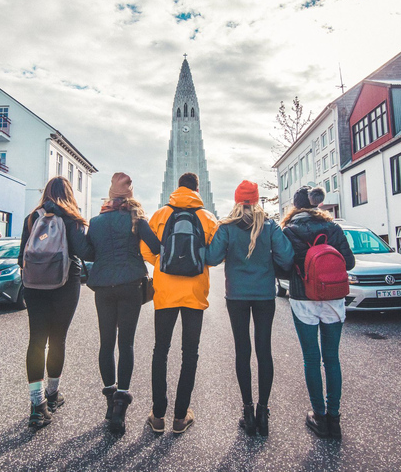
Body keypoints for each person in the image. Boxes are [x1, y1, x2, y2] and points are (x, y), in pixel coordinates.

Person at [205, 181, 293, 436]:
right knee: (264, 350)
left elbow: (211, 258)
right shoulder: (270, 225)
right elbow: (286, 257)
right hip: (264, 294)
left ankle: (247, 411)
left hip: (237, 296)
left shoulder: (227, 228)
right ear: (255, 200)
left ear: (237, 201)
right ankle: (263, 412)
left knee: (242, 350)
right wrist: (268, 262)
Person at [141, 172, 218, 434]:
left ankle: (158, 415)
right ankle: (180, 416)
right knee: (190, 353)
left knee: (160, 351)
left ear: (177, 188)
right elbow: (215, 255)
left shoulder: (161, 214)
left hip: (165, 293)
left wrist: (163, 266)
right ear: (197, 190)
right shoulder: (207, 218)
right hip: (195, 294)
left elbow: (145, 249)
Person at [84, 173, 161, 433]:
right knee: (125, 343)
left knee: (106, 343)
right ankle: (121, 406)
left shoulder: (95, 221)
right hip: (131, 284)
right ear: (129, 195)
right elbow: (156, 246)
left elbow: (88, 252)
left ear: (110, 194)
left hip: (103, 286)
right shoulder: (136, 219)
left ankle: (109, 401)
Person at [281, 186, 355, 440]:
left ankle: (319, 416)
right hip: (334, 298)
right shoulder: (333, 228)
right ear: (315, 205)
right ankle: (334, 419)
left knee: (311, 358)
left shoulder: (289, 230)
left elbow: (282, 267)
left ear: (296, 206)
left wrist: (300, 271)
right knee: (331, 358)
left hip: (304, 299)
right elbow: (350, 262)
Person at [17, 176, 89, 428]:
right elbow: (85, 252)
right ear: (69, 194)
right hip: (65, 285)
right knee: (57, 339)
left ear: (46, 193)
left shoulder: (32, 218)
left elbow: (20, 257)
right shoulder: (72, 218)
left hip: (34, 285)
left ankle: (37, 407)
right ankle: (53, 395)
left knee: (36, 340)